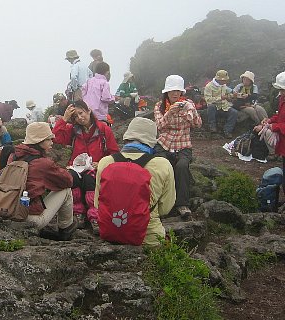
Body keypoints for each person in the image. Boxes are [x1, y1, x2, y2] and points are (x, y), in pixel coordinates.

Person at [94, 117, 176, 246]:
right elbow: (165, 208)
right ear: (153, 141)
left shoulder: (105, 162)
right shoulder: (162, 165)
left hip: (111, 234)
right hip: (149, 238)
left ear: (127, 138)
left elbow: (97, 204)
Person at [52, 100, 119, 233]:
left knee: (89, 180)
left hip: (95, 168)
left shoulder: (103, 130)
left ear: (88, 110)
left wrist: (100, 163)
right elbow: (56, 138)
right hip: (76, 168)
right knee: (71, 178)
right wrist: (64, 119)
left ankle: (95, 217)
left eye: (81, 113)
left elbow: (114, 153)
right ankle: (78, 214)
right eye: (75, 116)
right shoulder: (73, 130)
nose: (80, 118)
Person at [13, 122, 76, 241]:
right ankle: (65, 230)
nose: (52, 142)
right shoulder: (42, 163)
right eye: (49, 139)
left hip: (10, 212)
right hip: (30, 220)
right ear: (40, 142)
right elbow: (68, 181)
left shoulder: (13, 156)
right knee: (66, 191)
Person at [154, 75, 202, 219]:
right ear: (166, 92)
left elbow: (198, 125)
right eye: (172, 91)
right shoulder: (160, 106)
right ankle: (160, 202)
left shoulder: (188, 104)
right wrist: (170, 113)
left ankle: (182, 204)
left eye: (178, 91)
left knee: (182, 166)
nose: (175, 94)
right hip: (164, 143)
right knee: (162, 166)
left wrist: (191, 112)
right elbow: (159, 126)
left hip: (183, 144)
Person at [255, 72, 285, 194]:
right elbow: (280, 116)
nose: (280, 93)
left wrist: (274, 126)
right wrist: (270, 120)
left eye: (282, 90)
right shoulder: (282, 99)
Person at [204, 70, 238, 138]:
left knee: (234, 112)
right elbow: (208, 100)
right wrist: (220, 98)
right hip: (215, 108)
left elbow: (228, 95)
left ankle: (227, 130)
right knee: (211, 107)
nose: (225, 82)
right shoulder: (209, 86)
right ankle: (212, 128)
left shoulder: (224, 86)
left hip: (224, 107)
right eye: (224, 80)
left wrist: (233, 95)